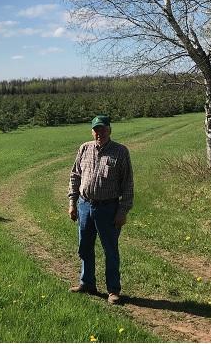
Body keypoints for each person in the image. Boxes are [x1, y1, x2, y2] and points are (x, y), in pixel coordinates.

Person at [67, 115, 134, 305]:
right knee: (85, 247)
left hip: (109, 209)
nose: (99, 133)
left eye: (103, 129)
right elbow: (75, 176)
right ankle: (87, 283)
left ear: (110, 130)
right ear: (92, 131)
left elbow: (127, 184)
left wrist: (123, 211)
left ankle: (113, 290)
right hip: (85, 205)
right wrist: (72, 203)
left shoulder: (120, 152)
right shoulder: (84, 148)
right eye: (96, 129)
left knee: (110, 250)